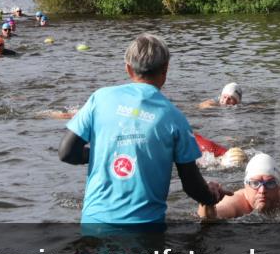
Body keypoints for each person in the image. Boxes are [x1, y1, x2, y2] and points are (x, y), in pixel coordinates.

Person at [58, 33, 230, 227]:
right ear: (165, 69)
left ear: (128, 68)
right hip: (145, 228)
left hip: (94, 222)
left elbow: (66, 152)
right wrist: (212, 196)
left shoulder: (99, 98)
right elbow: (191, 185)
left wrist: (104, 154)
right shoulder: (174, 117)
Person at [199, 153, 280, 220]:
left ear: (278, 187)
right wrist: (208, 200)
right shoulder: (235, 203)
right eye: (255, 183)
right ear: (245, 185)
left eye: (270, 183)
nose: (262, 190)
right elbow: (210, 217)